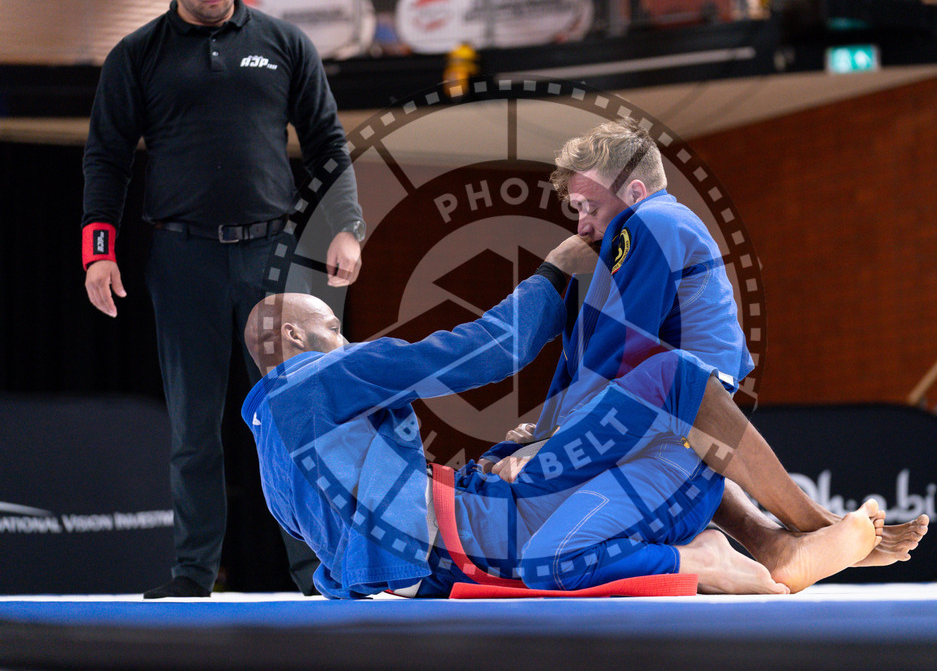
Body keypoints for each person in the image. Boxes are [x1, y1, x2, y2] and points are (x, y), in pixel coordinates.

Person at [242, 235, 894, 599]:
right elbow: (494, 349)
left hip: (435, 549)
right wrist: (558, 270)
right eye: (332, 325)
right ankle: (762, 541)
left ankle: (769, 541)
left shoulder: (267, 445)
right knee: (664, 405)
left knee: (590, 436)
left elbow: (356, 540)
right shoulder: (330, 373)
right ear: (292, 340)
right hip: (464, 536)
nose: (348, 338)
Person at [495, 118, 927, 571]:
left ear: (635, 194)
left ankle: (814, 524)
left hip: (673, 406)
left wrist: (554, 439)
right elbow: (595, 362)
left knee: (666, 420)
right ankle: (780, 545)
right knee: (678, 447)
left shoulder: (648, 223)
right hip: (675, 422)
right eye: (576, 210)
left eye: (589, 208)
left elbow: (618, 354)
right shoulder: (639, 238)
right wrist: (547, 431)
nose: (580, 227)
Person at [80, 0, 365, 598]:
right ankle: (192, 574)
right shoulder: (136, 54)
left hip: (271, 255)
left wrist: (346, 225)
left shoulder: (285, 43)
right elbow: (106, 158)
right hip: (181, 257)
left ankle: (317, 573)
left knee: (293, 418)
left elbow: (327, 143)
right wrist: (97, 251)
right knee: (192, 426)